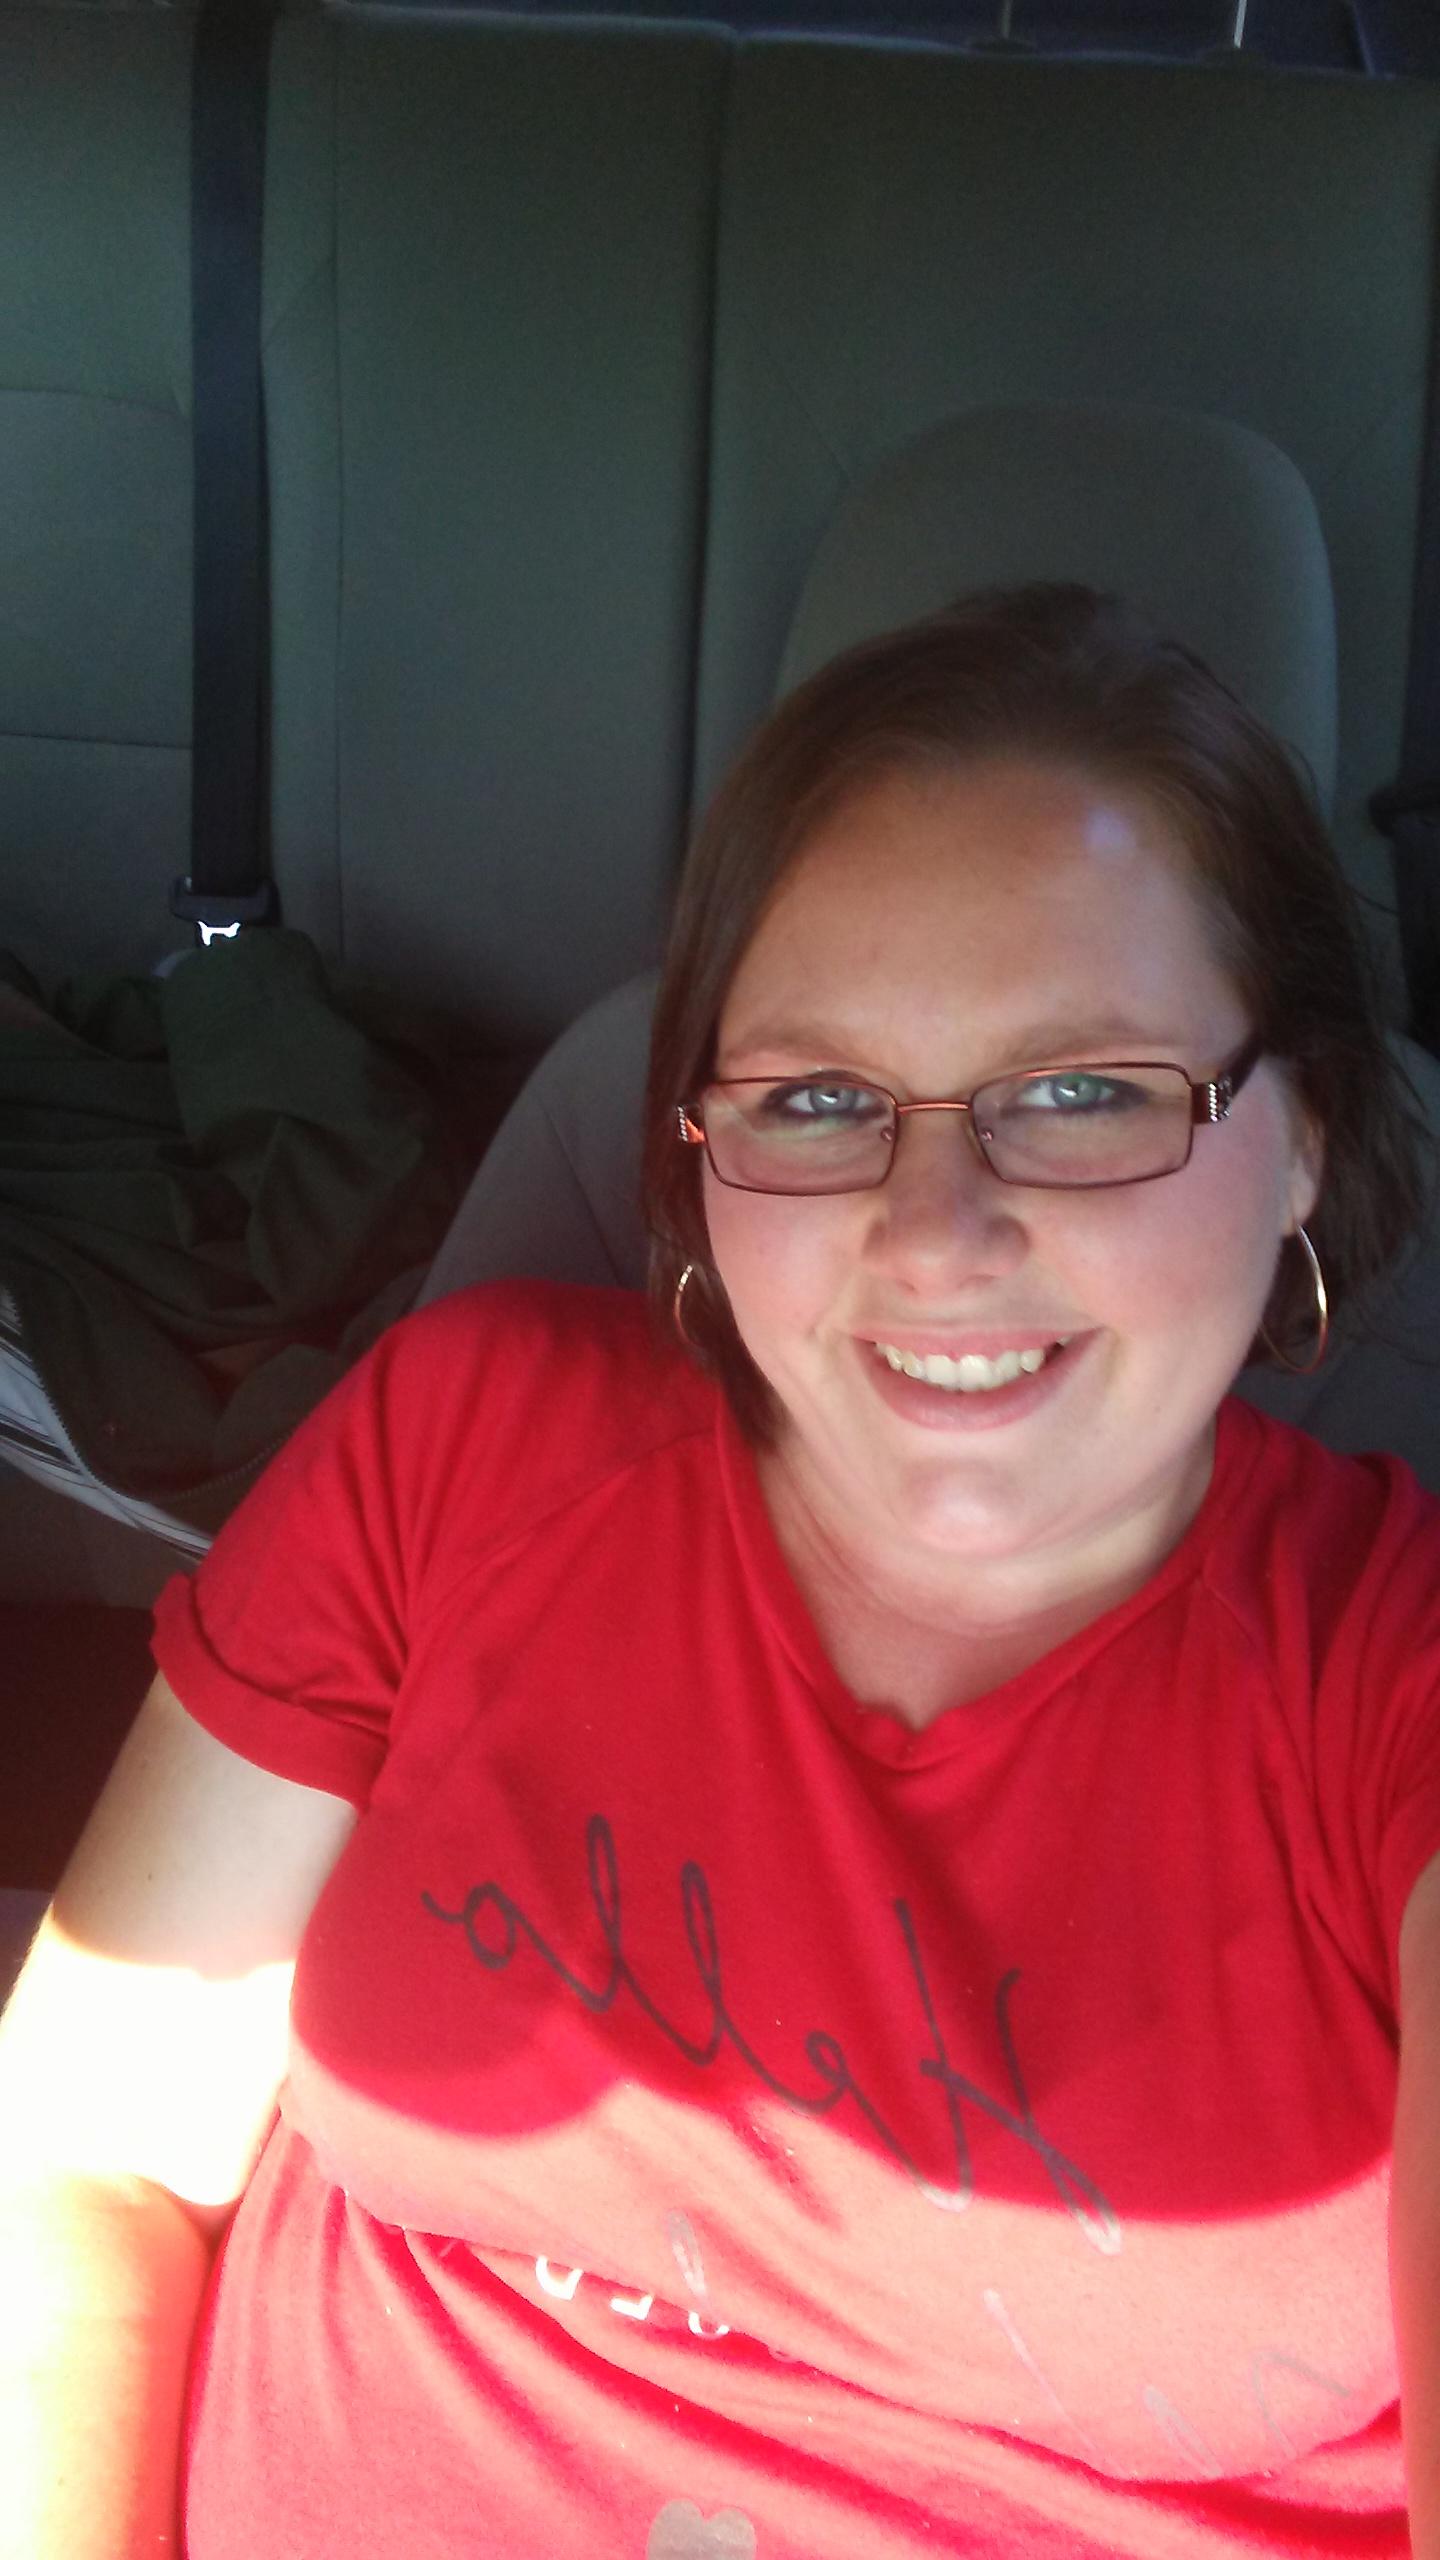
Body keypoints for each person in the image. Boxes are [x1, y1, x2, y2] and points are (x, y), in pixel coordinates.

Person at [1, 582, 1437, 2560]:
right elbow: (93, 2163)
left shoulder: (1393, 1693)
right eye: (819, 1100)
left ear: (1309, 1138)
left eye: (1085, 1091)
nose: (933, 1234)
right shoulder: (469, 1449)